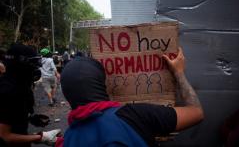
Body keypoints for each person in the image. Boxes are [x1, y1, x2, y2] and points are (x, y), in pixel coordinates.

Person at [57, 47, 204, 147]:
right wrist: (178, 72)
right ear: (101, 83)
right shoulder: (133, 115)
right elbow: (196, 112)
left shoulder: (69, 139)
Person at [0, 44, 61, 147]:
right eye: (33, 65)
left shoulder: (19, 86)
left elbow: (10, 117)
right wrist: (41, 137)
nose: (36, 69)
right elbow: (4, 136)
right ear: (21, 65)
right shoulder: (8, 92)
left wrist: (30, 118)